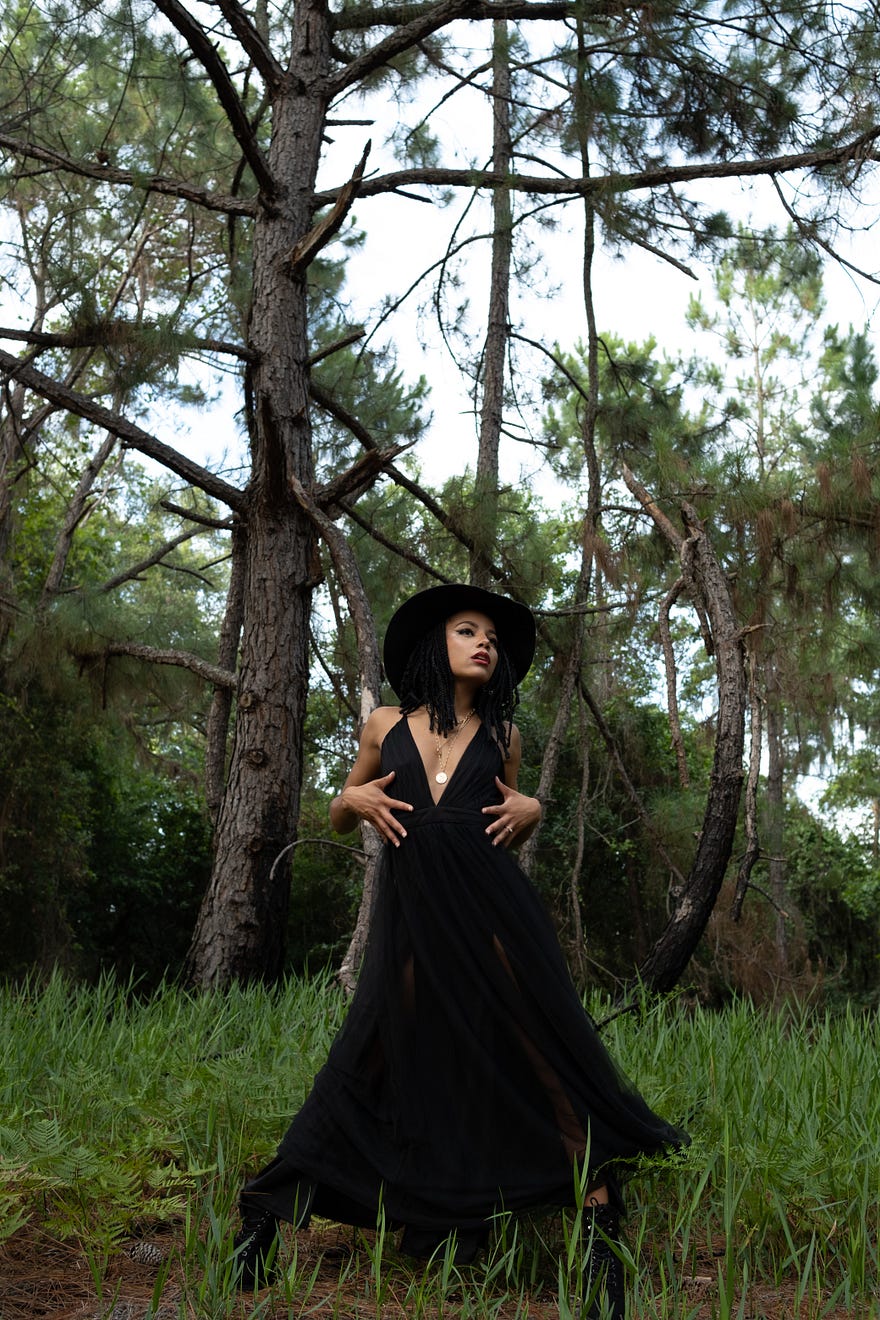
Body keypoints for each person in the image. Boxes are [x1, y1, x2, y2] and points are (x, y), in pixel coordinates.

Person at [232, 584, 688, 1317]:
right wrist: (350, 801)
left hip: (493, 915)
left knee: (541, 1053)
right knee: (367, 1055)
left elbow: (509, 823)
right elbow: (341, 814)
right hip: (412, 919)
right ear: (433, 645)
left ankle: (602, 1233)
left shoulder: (504, 736)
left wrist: (534, 807)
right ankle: (265, 1211)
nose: (485, 644)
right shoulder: (385, 724)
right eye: (468, 631)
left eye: (493, 639)